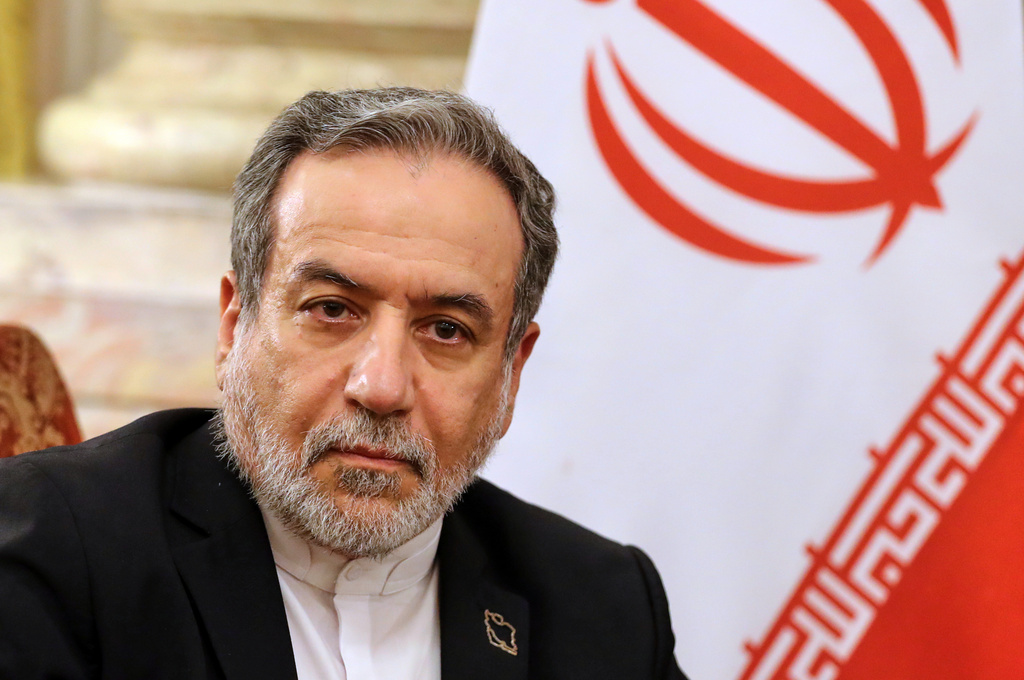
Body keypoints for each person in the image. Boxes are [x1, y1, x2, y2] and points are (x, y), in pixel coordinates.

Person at [0, 88, 688, 679]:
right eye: (332, 310)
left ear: (511, 372)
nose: (381, 386)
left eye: (446, 329)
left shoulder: (606, 612)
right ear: (234, 325)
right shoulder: (52, 554)